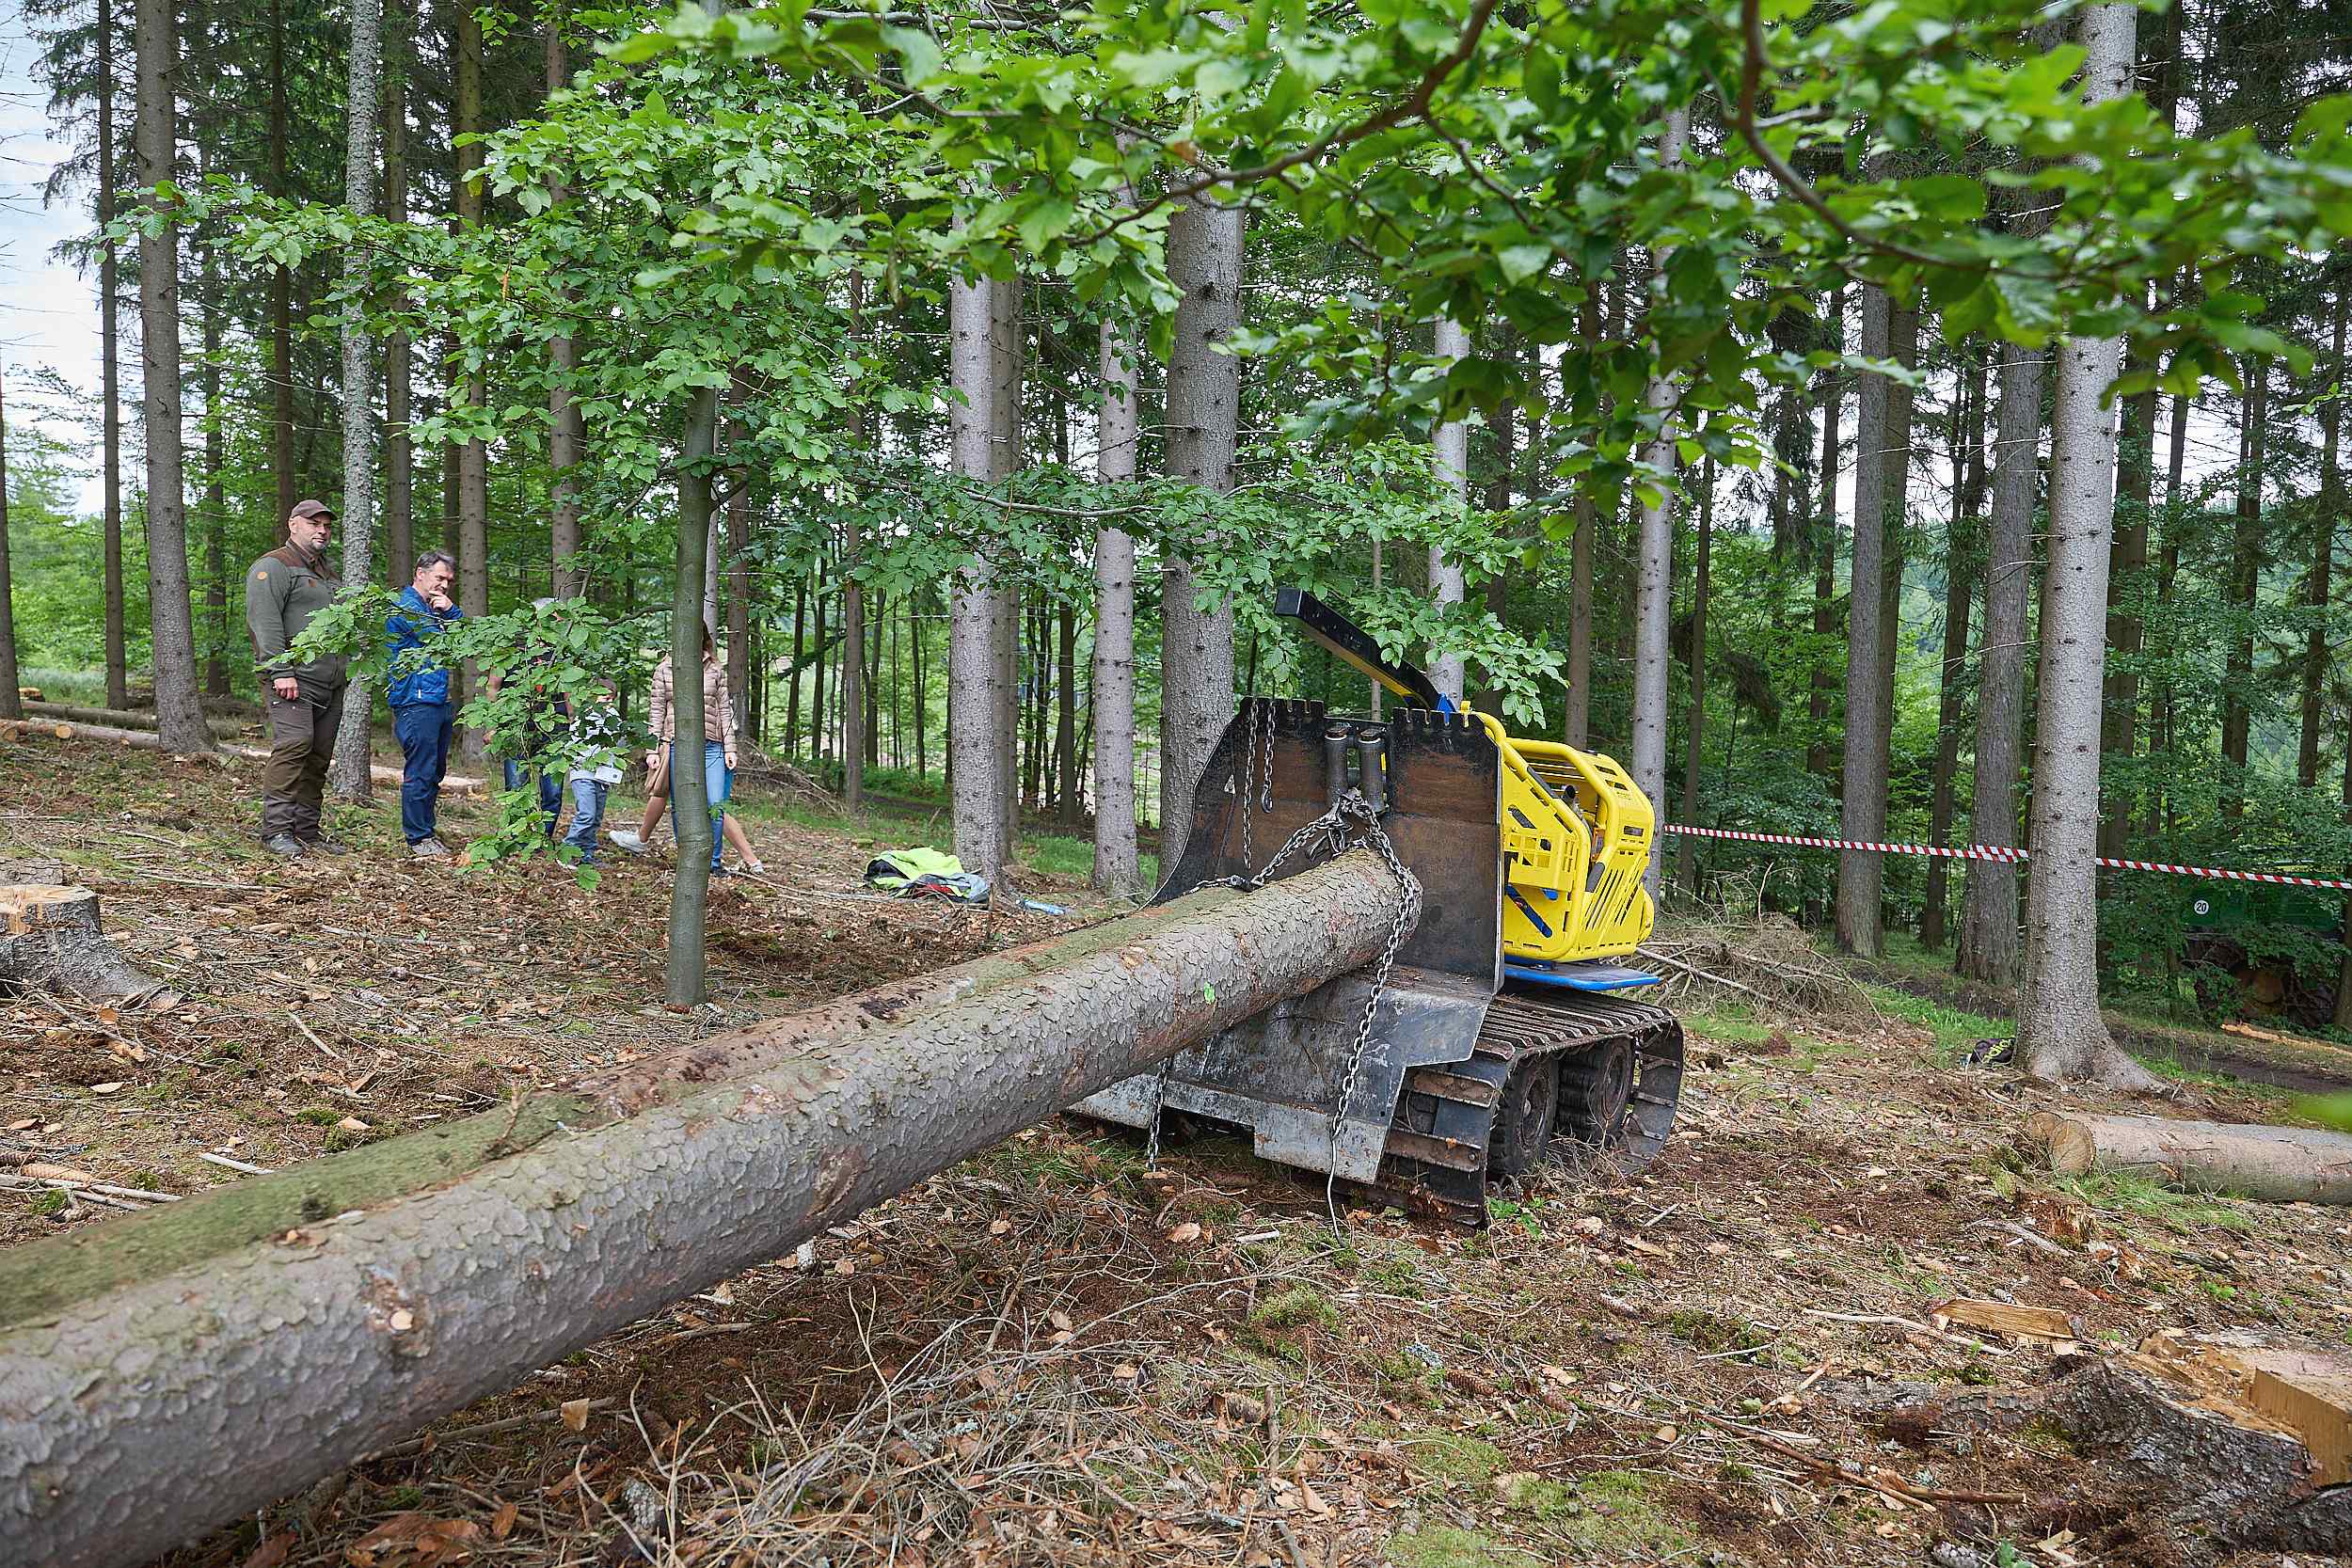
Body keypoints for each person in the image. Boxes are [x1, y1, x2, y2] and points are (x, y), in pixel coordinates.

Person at [245, 499, 349, 858]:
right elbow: (264, 622)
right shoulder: (274, 566)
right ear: (293, 525)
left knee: (318, 756)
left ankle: (307, 831)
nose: (322, 530)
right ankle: (276, 831)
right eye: (314, 523)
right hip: (292, 679)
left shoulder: (328, 573)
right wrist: (280, 670)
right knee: (294, 746)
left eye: (327, 525)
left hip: (330, 681)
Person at [613, 627, 760, 874]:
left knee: (714, 804)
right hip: (677, 745)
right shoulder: (665, 669)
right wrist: (652, 749)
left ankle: (713, 864)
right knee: (680, 805)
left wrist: (730, 748)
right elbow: (656, 711)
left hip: (712, 746)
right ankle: (688, 861)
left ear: (703, 638)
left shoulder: (715, 669)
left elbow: (725, 711)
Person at [385, 550, 462, 858]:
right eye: (440, 577)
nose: (444, 585)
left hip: (437, 699)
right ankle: (418, 838)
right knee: (421, 771)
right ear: (420, 573)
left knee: (435, 771)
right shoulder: (407, 606)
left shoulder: (433, 609)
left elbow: (460, 645)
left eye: (449, 581)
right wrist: (452, 613)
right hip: (416, 701)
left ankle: (426, 831)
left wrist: (448, 613)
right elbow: (443, 643)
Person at [485, 602, 569, 836]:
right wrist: (493, 725)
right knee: (516, 786)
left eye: (560, 620)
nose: (558, 624)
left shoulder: (563, 652)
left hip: (554, 728)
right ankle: (517, 838)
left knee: (553, 791)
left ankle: (543, 840)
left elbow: (570, 693)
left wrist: (573, 726)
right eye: (553, 618)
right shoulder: (511, 649)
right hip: (516, 727)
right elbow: (493, 687)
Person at [561, 679, 626, 869]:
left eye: (611, 699)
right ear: (593, 696)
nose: (609, 702)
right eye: (605, 698)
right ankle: (567, 851)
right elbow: (572, 745)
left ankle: (587, 855)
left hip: (603, 775)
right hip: (583, 773)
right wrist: (585, 760)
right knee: (586, 814)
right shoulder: (584, 717)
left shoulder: (614, 717)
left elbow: (619, 744)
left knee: (596, 818)